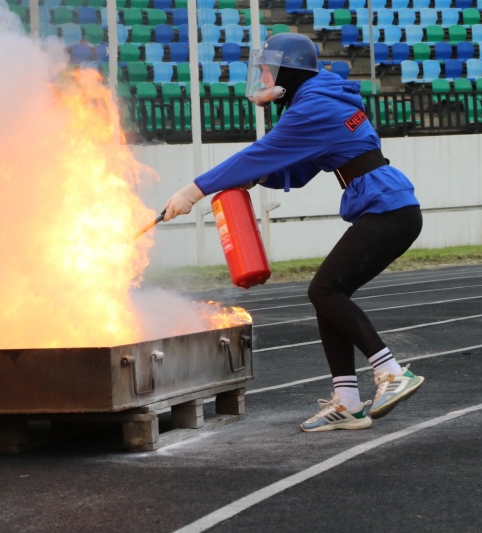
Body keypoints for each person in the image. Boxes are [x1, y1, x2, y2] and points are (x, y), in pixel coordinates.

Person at [162, 33, 425, 432]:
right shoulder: (319, 99)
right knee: (327, 294)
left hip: (388, 209)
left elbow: (260, 153)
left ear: (289, 70)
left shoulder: (314, 106)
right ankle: (348, 402)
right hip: (389, 206)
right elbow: (297, 170)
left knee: (324, 290)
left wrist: (193, 190)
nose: (263, 79)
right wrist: (258, 177)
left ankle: (391, 372)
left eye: (267, 70)